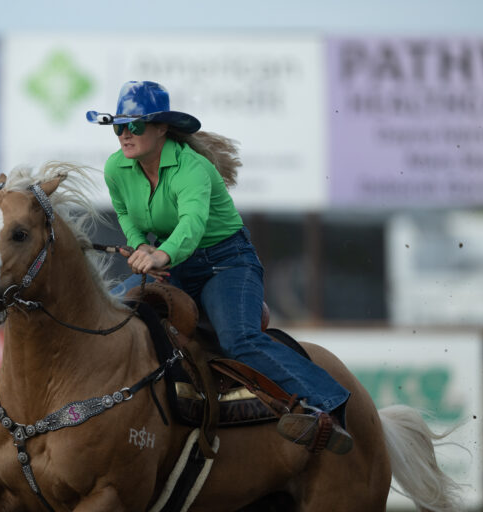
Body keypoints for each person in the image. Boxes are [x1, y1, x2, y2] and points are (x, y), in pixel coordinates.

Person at [86, 81, 353, 454]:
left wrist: (162, 256)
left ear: (162, 128)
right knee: (106, 317)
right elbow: (127, 215)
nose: (125, 135)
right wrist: (141, 244)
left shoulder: (193, 169)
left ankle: (331, 403)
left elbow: (191, 227)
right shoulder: (116, 167)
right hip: (171, 264)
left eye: (135, 125)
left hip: (226, 264)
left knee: (238, 339)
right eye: (119, 126)